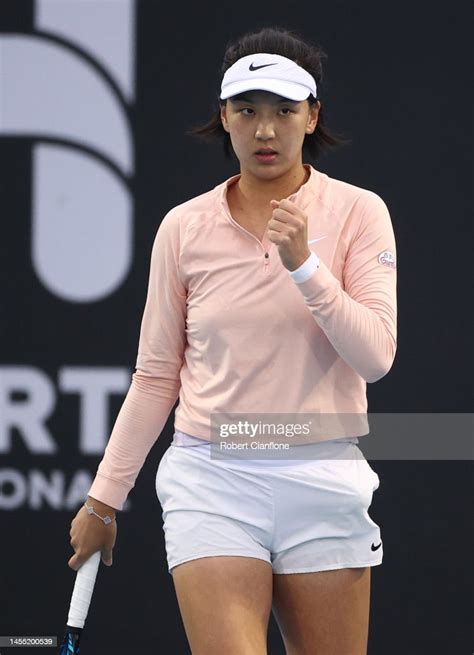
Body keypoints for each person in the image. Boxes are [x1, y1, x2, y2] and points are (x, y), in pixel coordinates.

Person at [67, 25, 397, 655]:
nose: (265, 130)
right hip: (211, 480)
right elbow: (156, 376)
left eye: (283, 111)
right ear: (224, 117)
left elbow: (376, 357)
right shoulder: (183, 228)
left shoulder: (360, 212)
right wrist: (104, 501)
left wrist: (305, 266)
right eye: (247, 111)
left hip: (324, 474)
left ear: (312, 116)